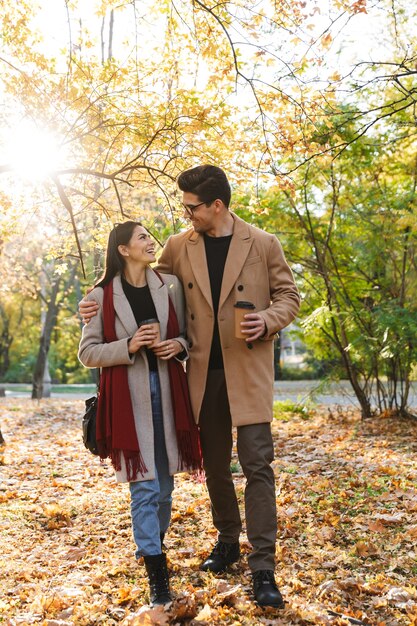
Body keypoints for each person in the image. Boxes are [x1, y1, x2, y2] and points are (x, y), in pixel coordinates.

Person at [80, 166, 300, 609]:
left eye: (191, 206)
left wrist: (269, 320)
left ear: (216, 205)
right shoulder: (181, 246)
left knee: (258, 465)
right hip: (200, 374)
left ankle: (263, 568)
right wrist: (95, 297)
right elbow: (141, 283)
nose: (186, 214)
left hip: (249, 371)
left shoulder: (262, 243)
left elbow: (289, 296)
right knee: (215, 465)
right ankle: (227, 539)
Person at [78, 221, 202, 607]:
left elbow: (187, 336)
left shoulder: (170, 286)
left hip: (168, 393)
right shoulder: (100, 296)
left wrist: (176, 345)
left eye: (151, 236)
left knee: (165, 488)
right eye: (142, 238)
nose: (151, 242)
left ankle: (153, 545)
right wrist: (128, 345)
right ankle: (156, 570)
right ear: (124, 250)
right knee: (145, 488)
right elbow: (88, 353)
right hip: (127, 402)